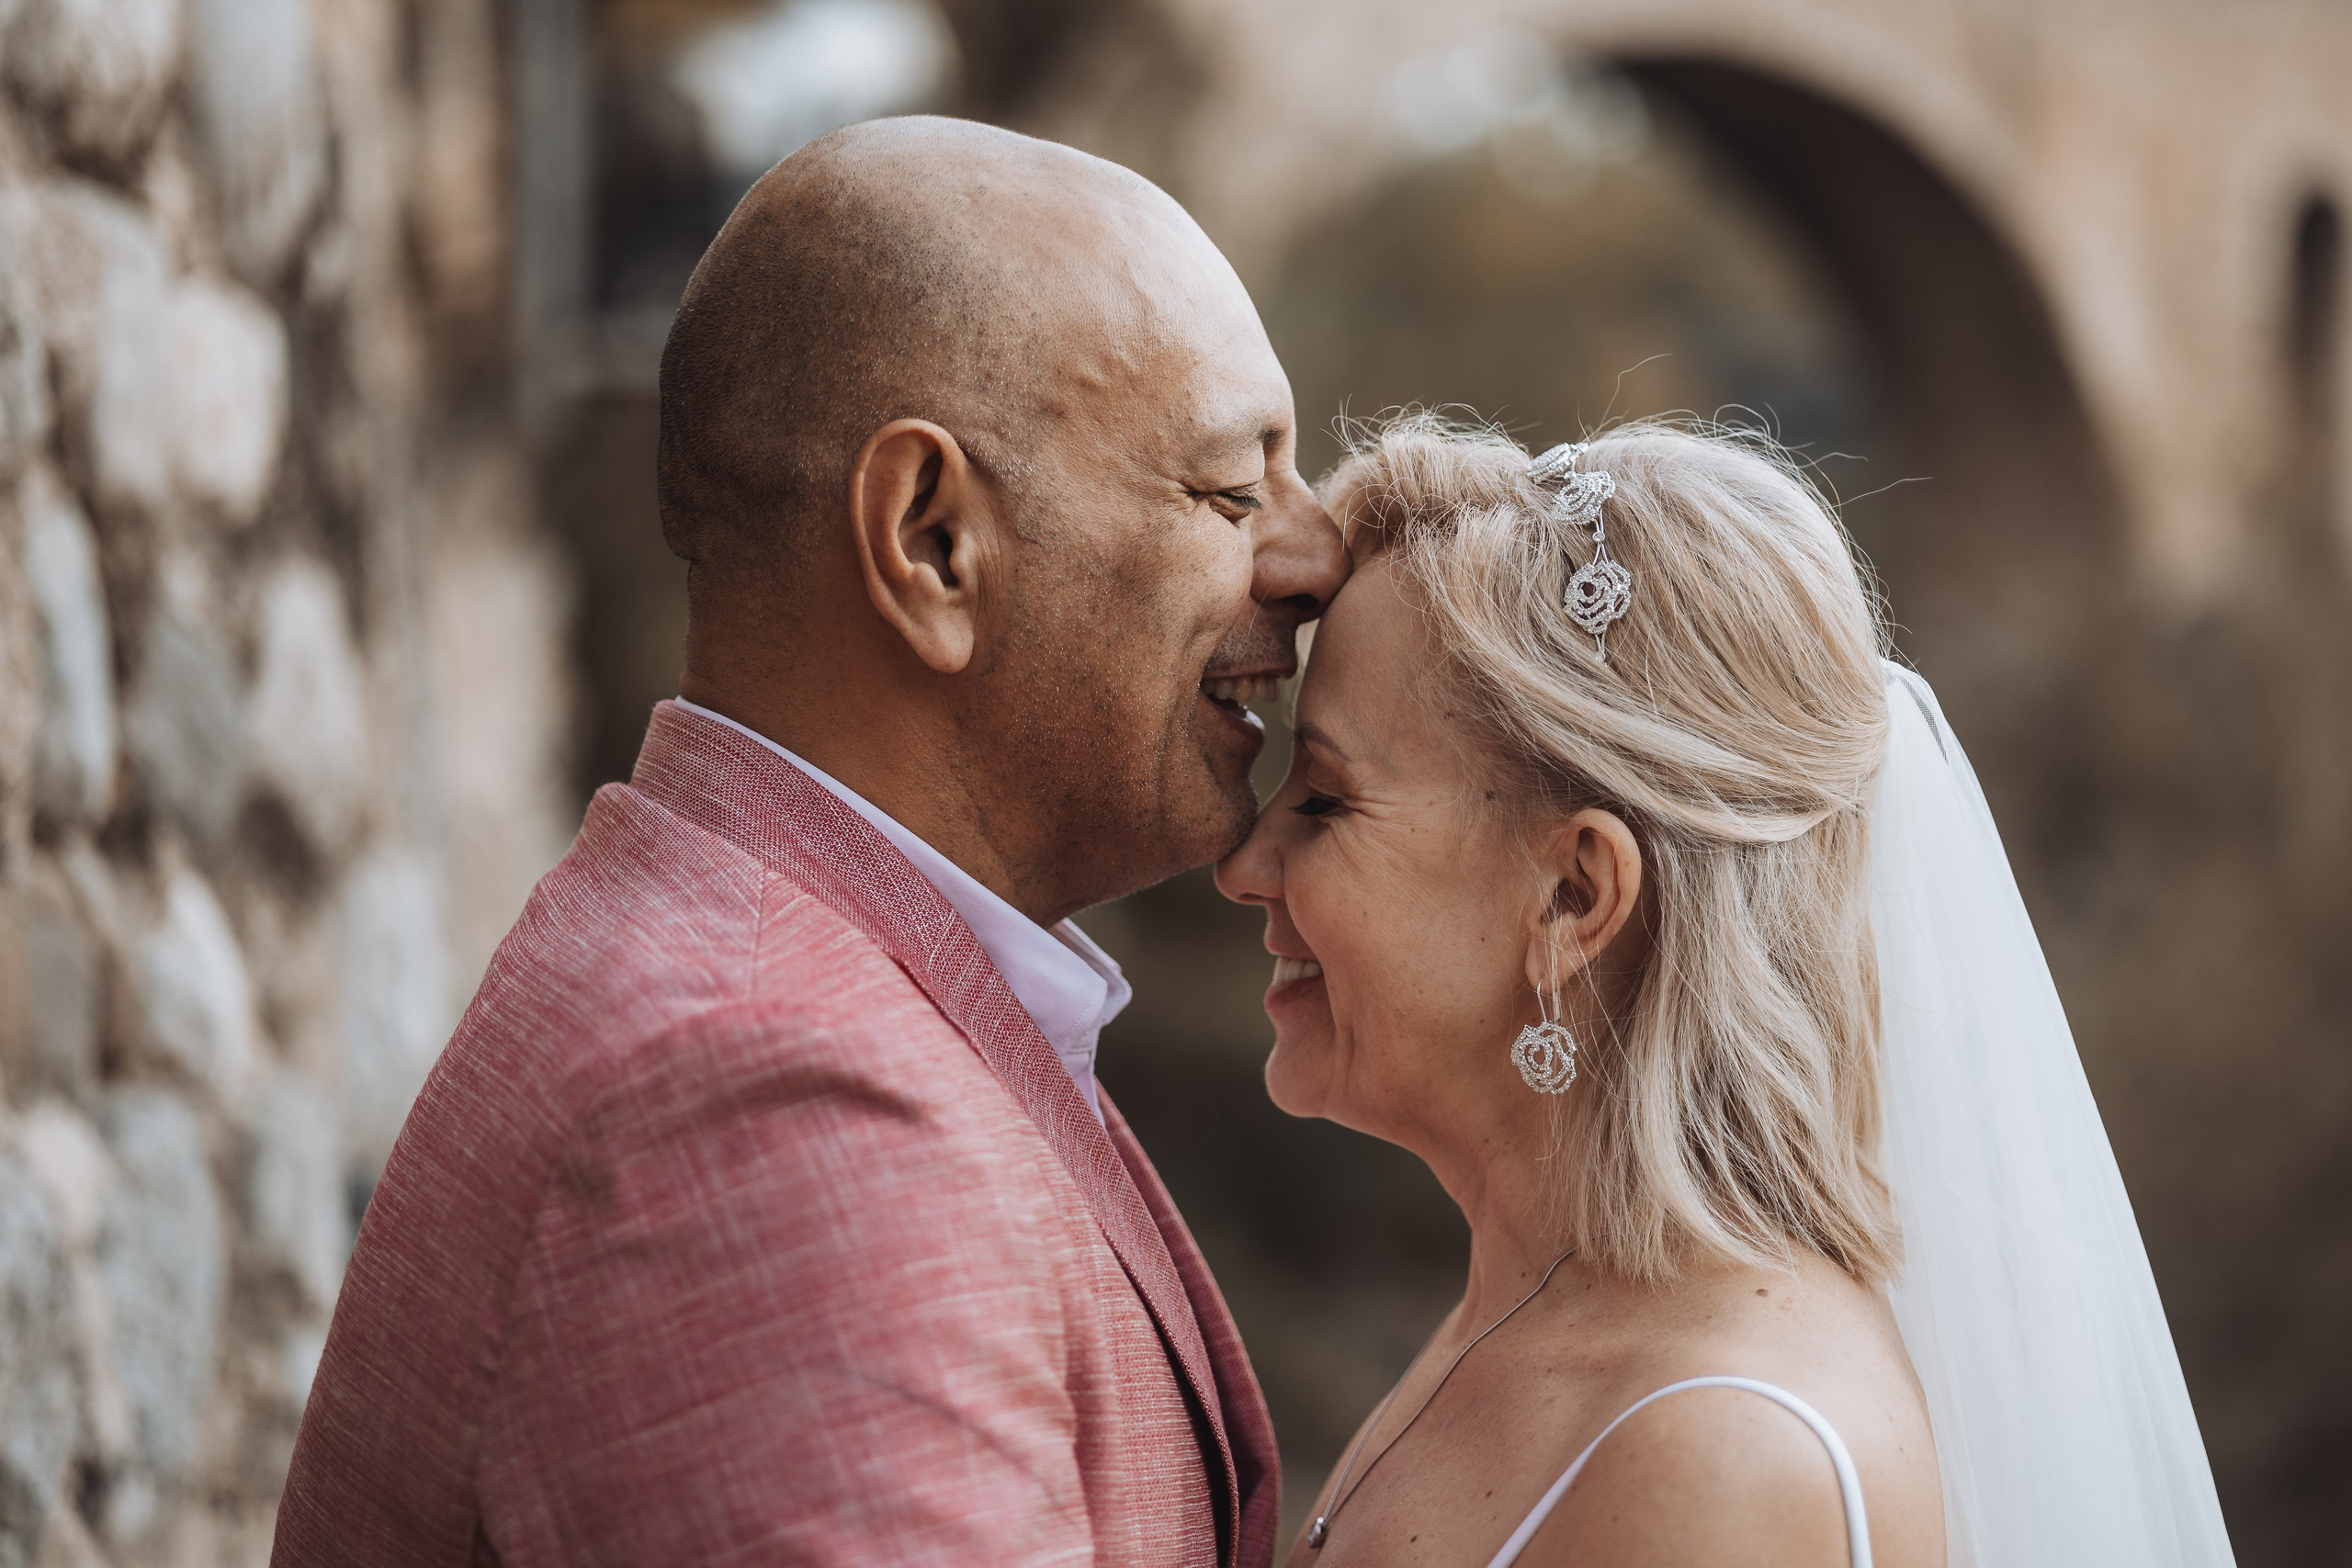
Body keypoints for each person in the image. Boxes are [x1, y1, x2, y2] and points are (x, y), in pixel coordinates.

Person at [273, 118, 1346, 1567]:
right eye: (1233, 488)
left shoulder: (788, 984)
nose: (1314, 556)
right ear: (933, 540)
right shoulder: (780, 1093)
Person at [1217, 414, 2237, 1566]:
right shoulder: (1522, 1310)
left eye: (1325, 799)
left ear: (1572, 895)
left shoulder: (1728, 1464)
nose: (1243, 866)